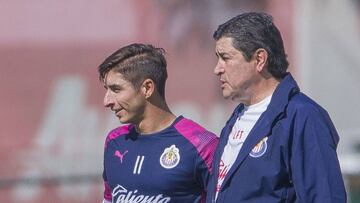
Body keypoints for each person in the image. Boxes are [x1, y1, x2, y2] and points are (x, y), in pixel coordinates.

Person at [206, 12, 347, 202]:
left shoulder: (302, 116)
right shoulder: (237, 117)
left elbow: (324, 197)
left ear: (259, 59)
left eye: (225, 57)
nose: (217, 69)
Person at [98, 43, 218, 203]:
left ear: (147, 88)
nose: (106, 101)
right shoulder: (115, 141)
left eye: (116, 89)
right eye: (106, 89)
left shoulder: (202, 145)